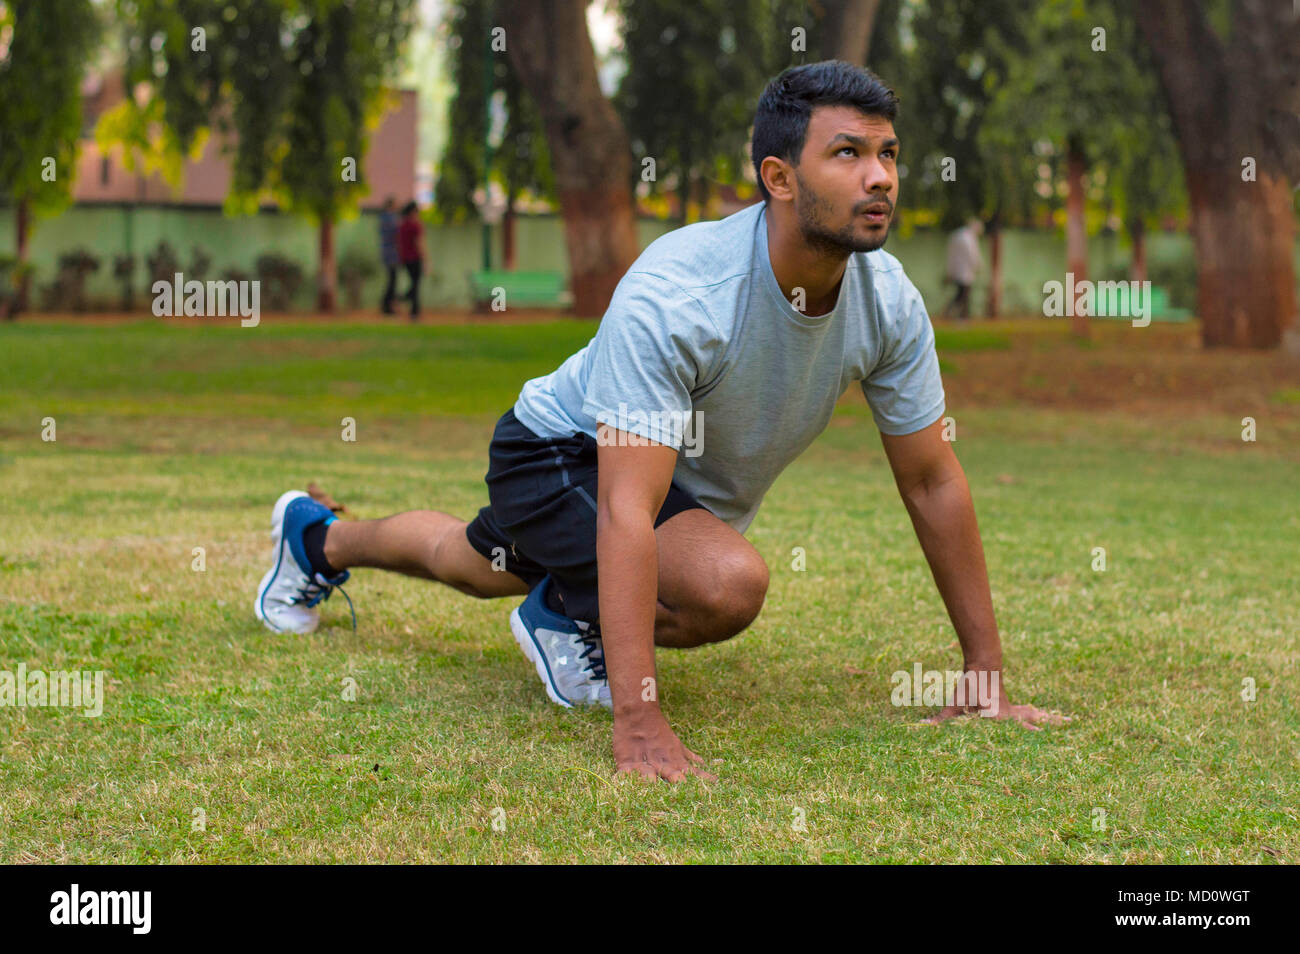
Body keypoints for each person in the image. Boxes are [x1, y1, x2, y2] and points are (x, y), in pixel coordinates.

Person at [253, 61, 1067, 784]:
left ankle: (315, 538)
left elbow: (931, 480)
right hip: (558, 450)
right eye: (848, 153)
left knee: (472, 563)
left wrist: (984, 672)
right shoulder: (683, 292)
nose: (880, 176)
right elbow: (625, 510)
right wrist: (637, 719)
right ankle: (567, 615)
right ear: (779, 177)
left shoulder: (887, 302)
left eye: (888, 154)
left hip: (659, 485)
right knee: (726, 583)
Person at [942, 218, 983, 320]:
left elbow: (951, 255)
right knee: (964, 294)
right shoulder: (968, 238)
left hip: (958, 270)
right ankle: (962, 316)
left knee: (961, 294)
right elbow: (972, 254)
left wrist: (950, 270)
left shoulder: (958, 235)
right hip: (965, 271)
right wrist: (978, 266)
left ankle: (956, 313)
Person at [396, 200, 424, 321]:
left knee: (414, 284)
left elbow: (399, 243)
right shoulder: (415, 225)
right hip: (415, 258)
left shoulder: (402, 225)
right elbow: (419, 243)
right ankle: (405, 301)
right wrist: (425, 258)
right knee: (416, 284)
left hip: (405, 259)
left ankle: (413, 311)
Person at [378, 197, 400, 314]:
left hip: (386, 253)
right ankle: (387, 306)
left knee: (392, 280)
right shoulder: (391, 218)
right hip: (392, 253)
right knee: (392, 280)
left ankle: (388, 305)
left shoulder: (383, 218)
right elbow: (396, 234)